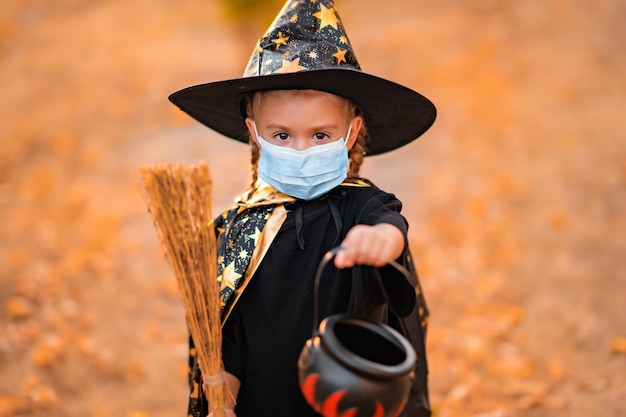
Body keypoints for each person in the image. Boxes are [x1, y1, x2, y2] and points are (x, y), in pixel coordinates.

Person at [168, 1, 436, 416]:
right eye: (282, 134)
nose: (302, 149)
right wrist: (222, 395)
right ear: (254, 133)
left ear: (352, 133)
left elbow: (390, 224)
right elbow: (229, 340)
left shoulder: (358, 205)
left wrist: (380, 241)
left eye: (320, 134)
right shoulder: (238, 230)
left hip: (344, 397)